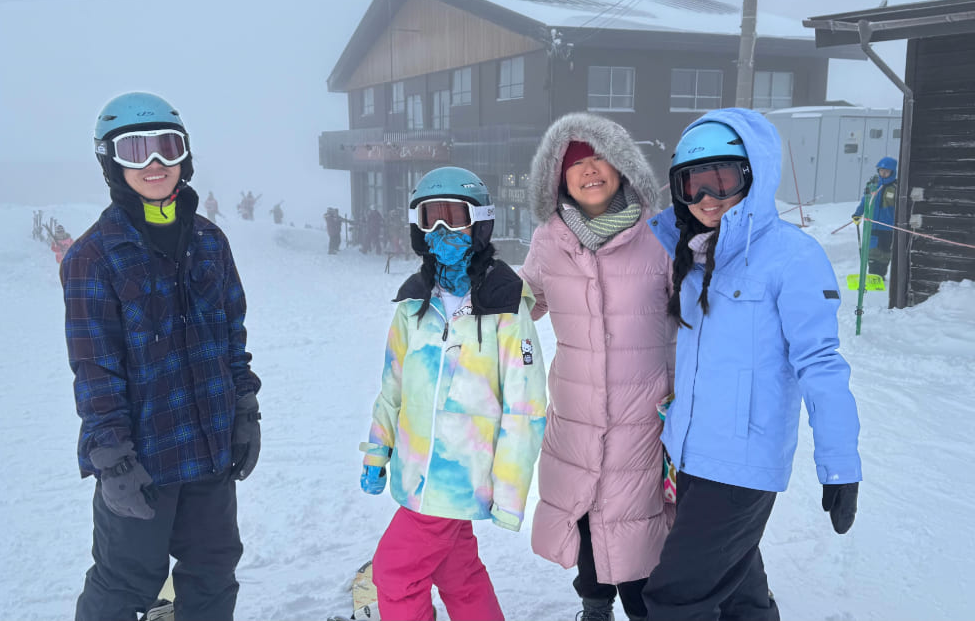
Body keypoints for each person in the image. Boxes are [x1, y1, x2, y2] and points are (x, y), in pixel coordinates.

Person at [643, 108, 862, 621]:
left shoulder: (791, 257)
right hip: (693, 456)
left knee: (676, 598)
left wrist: (840, 464)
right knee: (738, 587)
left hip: (742, 466)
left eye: (723, 181)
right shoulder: (692, 256)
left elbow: (821, 364)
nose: (707, 200)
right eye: (692, 185)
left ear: (754, 176)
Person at [61, 92, 262, 621]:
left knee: (214, 571)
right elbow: (95, 368)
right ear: (110, 160)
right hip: (141, 458)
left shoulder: (210, 242)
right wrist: (113, 459)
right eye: (135, 150)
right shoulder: (93, 257)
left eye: (166, 149)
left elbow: (231, 334)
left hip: (209, 447)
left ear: (184, 156)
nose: (153, 165)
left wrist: (244, 409)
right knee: (125, 583)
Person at [359, 166, 547, 621]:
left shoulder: (505, 304)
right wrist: (377, 451)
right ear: (417, 228)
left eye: (454, 218)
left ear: (479, 223)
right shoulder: (412, 304)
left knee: (395, 575)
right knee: (458, 571)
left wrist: (509, 491)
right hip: (415, 474)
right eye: (431, 218)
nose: (442, 230)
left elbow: (526, 409)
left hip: (461, 476)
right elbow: (393, 387)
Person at [520, 112, 676, 621]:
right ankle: (593, 603)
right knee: (584, 510)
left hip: (645, 409)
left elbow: (697, 303)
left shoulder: (662, 231)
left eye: (599, 159)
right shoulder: (549, 238)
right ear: (558, 177)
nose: (589, 171)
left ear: (623, 166)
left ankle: (643, 607)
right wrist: (468, 288)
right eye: (575, 165)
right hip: (577, 406)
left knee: (640, 515)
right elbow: (527, 298)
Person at [852, 156, 897, 277]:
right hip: (871, 225)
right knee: (872, 251)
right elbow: (864, 201)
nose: (883, 173)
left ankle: (880, 275)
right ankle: (872, 275)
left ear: (892, 172)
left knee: (884, 252)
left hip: (887, 227)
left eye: (886, 171)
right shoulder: (873, 186)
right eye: (881, 171)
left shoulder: (895, 188)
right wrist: (858, 214)